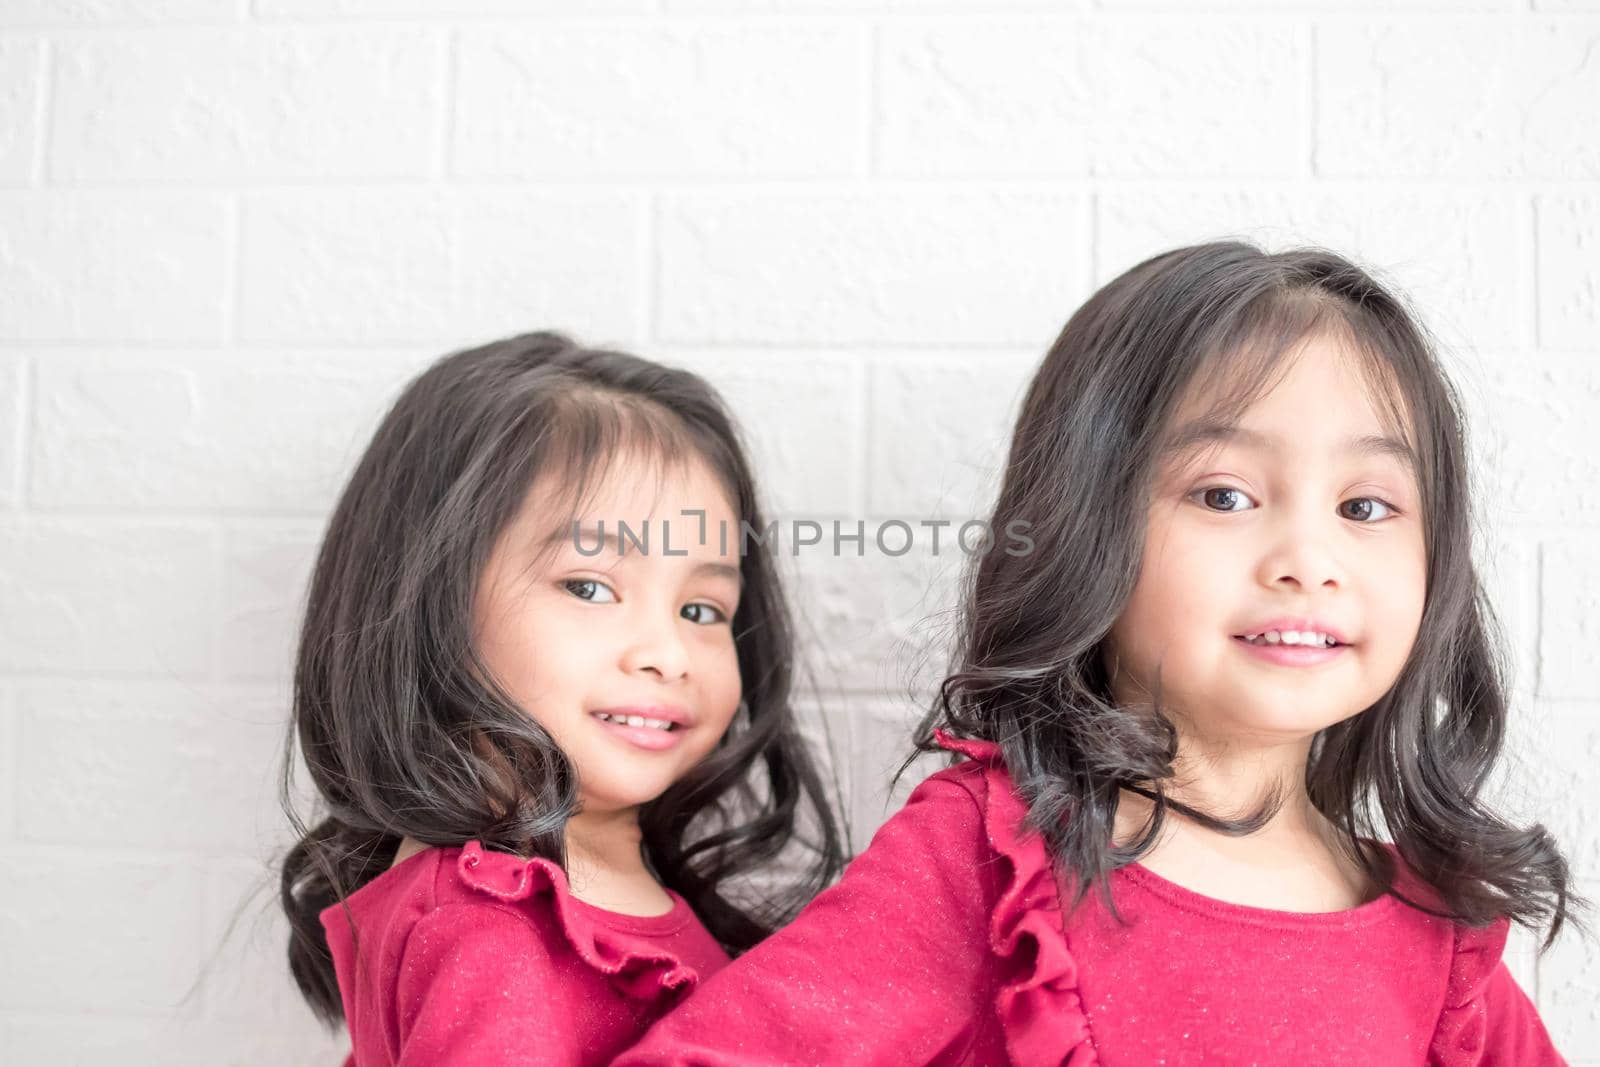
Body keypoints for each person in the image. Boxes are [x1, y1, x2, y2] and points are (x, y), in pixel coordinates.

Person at [613, 243, 1580, 1065]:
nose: (1308, 562)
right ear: (1085, 527)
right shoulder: (989, 857)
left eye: (1365, 507)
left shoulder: (1442, 938)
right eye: (1225, 495)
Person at [277, 331, 845, 1066]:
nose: (666, 654)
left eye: (702, 610)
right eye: (590, 587)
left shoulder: (611, 883)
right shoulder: (481, 924)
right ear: (429, 603)